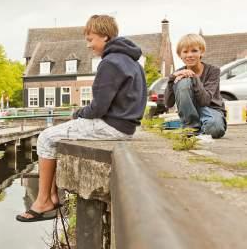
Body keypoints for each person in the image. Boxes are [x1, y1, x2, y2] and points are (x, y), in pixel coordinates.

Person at [16, 14, 147, 222]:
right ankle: (51, 196)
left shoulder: (110, 63)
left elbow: (98, 108)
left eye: (90, 39)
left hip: (112, 126)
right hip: (126, 126)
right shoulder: (132, 62)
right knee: (53, 137)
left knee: (45, 138)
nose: (88, 45)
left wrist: (78, 114)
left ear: (104, 37)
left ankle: (43, 201)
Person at [164, 33, 226, 138]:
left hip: (211, 109)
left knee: (215, 129)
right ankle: (190, 128)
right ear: (180, 55)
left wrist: (194, 77)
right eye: (185, 52)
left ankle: (195, 127)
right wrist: (171, 79)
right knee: (183, 82)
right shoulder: (178, 73)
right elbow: (168, 103)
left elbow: (205, 101)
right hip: (188, 110)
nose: (189, 55)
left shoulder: (213, 71)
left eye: (194, 51)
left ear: (201, 52)